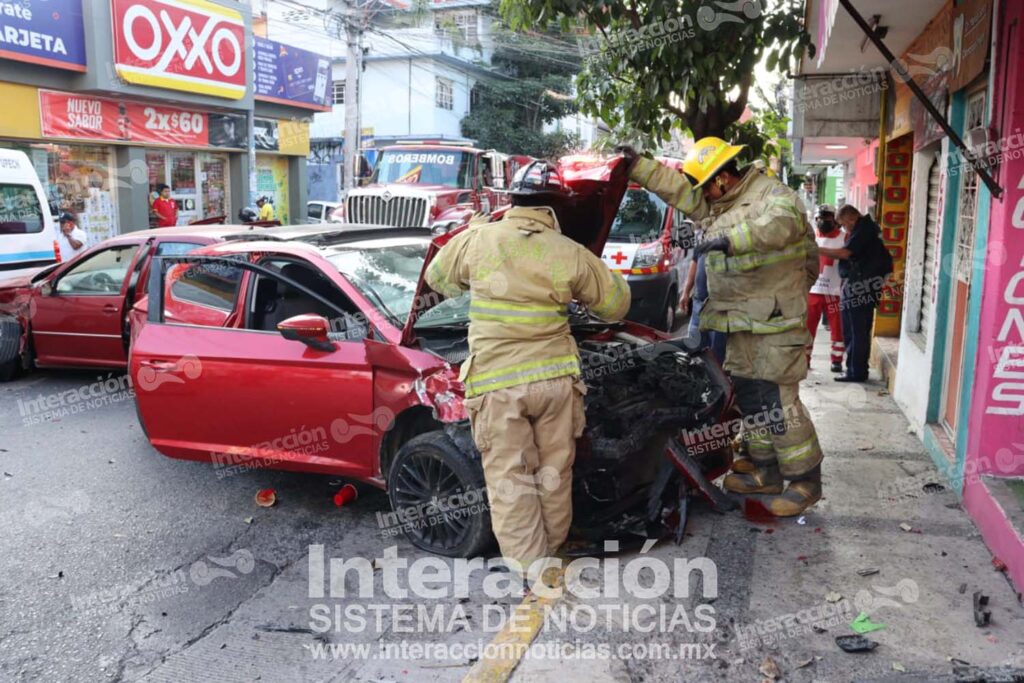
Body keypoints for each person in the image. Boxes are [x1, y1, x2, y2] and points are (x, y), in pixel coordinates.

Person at [425, 160, 630, 574]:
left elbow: (437, 279)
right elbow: (615, 306)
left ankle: (529, 567)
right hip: (555, 381)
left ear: (512, 200)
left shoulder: (480, 239)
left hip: (498, 384)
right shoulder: (567, 251)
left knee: (510, 477)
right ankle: (549, 551)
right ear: (555, 208)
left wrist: (471, 242)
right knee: (555, 469)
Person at [619, 138, 823, 517]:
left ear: (724, 179)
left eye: (705, 188)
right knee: (749, 395)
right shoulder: (719, 202)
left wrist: (729, 240)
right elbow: (680, 189)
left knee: (778, 402)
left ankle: (806, 480)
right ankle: (765, 471)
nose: (700, 197)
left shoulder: (774, 197)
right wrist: (637, 167)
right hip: (741, 320)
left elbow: (781, 226)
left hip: (776, 323)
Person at [818, 204, 893, 383]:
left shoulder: (864, 230)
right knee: (854, 330)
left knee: (855, 331)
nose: (844, 228)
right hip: (859, 285)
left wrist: (817, 249)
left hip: (860, 287)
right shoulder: (865, 228)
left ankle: (855, 372)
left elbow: (845, 253)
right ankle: (855, 369)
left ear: (851, 218)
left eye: (844, 224)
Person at [806, 205, 845, 372]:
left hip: (834, 292)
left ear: (834, 220)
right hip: (813, 291)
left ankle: (836, 360)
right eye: (820, 218)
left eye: (827, 218)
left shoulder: (844, 238)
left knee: (837, 330)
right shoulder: (810, 237)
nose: (823, 221)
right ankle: (805, 359)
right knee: (807, 329)